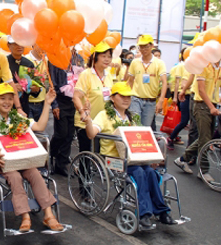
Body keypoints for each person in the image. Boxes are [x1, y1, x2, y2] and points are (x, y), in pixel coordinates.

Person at [0, 82, 64, 232]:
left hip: (21, 160)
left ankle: (49, 215)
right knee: (15, 177)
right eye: (3, 99)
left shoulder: (17, 117)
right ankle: (25, 216)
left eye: (10, 99)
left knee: (35, 174)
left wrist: (47, 103)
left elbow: (39, 127)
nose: (7, 102)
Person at [83, 82, 176, 229]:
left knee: (151, 173)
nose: (126, 99)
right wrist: (88, 119)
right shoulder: (104, 115)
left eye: (129, 96)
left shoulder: (132, 118)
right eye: (122, 96)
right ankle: (145, 213)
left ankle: (162, 212)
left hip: (134, 157)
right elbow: (91, 134)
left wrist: (151, 155)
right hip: (113, 159)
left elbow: (140, 139)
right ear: (113, 98)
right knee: (139, 172)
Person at [174, 61, 221, 182]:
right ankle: (203, 170)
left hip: (213, 104)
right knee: (205, 139)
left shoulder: (218, 68)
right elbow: (201, 90)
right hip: (201, 105)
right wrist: (211, 107)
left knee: (205, 138)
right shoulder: (204, 66)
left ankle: (183, 159)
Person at [73, 41, 113, 154]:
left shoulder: (108, 75)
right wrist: (82, 111)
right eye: (104, 56)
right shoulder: (87, 74)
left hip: (102, 122)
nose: (107, 59)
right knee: (87, 153)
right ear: (95, 57)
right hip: (86, 122)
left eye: (109, 57)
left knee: (101, 153)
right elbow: (76, 97)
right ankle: (83, 171)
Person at [49, 50, 84, 176]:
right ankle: (50, 156)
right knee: (61, 133)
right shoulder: (55, 58)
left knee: (70, 134)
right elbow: (52, 82)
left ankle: (61, 163)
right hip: (60, 99)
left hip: (74, 99)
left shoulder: (78, 58)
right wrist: (54, 104)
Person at [127, 34, 168, 127]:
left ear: (152, 46)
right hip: (135, 99)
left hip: (151, 101)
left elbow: (164, 82)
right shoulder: (135, 62)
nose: (144, 49)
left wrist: (161, 101)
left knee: (145, 128)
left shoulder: (159, 63)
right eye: (141, 47)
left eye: (146, 46)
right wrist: (126, 97)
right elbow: (130, 81)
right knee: (135, 126)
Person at [6, 36, 39, 116]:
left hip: (25, 107)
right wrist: (12, 86)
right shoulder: (4, 62)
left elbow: (37, 88)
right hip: (7, 107)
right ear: (9, 45)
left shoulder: (29, 64)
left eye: (21, 43)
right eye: (16, 44)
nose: (19, 46)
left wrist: (34, 88)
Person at [167, 49, 189, 150]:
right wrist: (175, 97)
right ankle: (171, 137)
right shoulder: (181, 66)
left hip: (186, 94)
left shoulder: (192, 65)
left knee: (182, 119)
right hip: (182, 94)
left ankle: (174, 136)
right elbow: (176, 82)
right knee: (183, 120)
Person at [26, 44, 47, 121]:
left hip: (42, 103)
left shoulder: (46, 61)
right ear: (33, 43)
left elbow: (47, 81)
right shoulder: (26, 59)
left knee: (40, 131)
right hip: (28, 102)